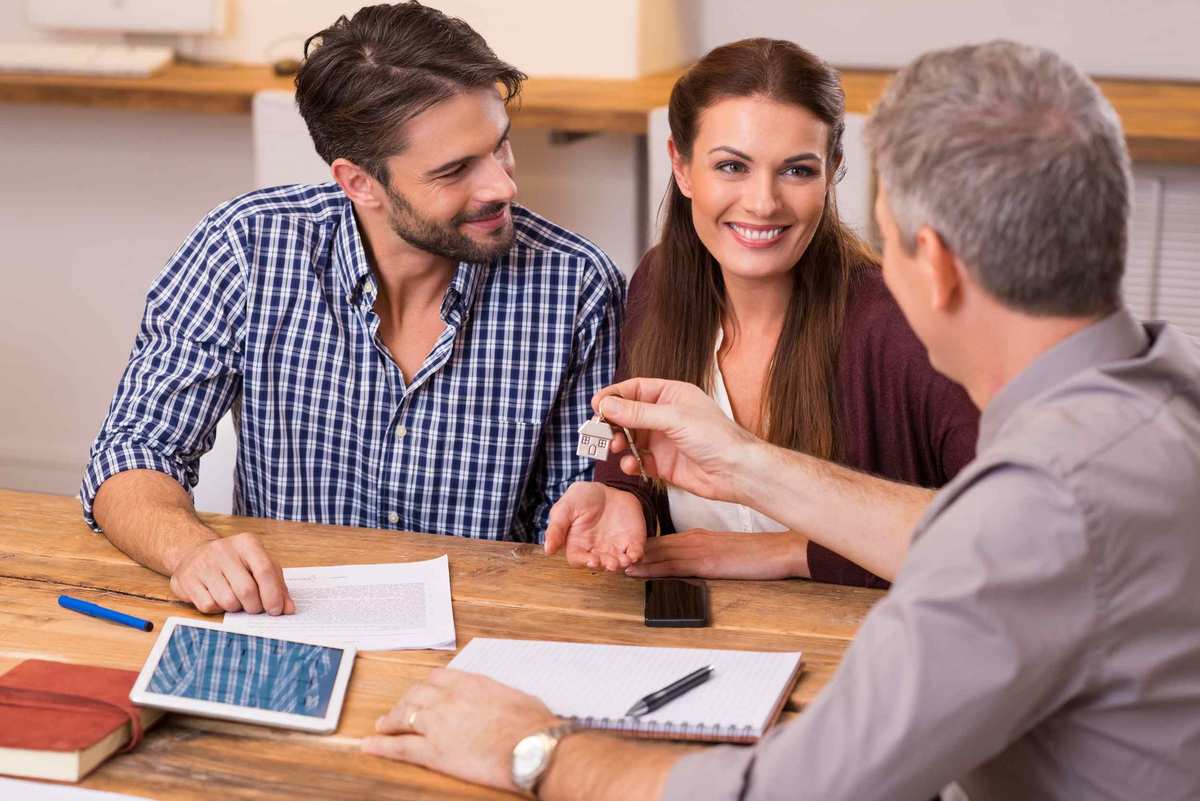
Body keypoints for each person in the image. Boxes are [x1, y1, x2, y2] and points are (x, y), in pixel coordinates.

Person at [362, 41, 1200, 800]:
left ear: (936, 266)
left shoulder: (1042, 503)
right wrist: (731, 466)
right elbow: (974, 534)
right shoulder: (1163, 395)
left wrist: (533, 748)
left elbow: (789, 790)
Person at [80, 3, 624, 617]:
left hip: (485, 630)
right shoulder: (247, 248)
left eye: (500, 146)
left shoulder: (577, 286)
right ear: (359, 182)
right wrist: (192, 552)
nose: (503, 186)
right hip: (284, 621)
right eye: (454, 171)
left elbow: (579, 516)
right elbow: (133, 451)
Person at [544, 39, 978, 589]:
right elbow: (639, 456)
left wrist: (791, 553)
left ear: (833, 171)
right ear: (681, 166)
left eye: (797, 171)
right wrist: (622, 497)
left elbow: (1010, 542)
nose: (763, 203)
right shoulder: (657, 284)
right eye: (732, 166)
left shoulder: (902, 323)